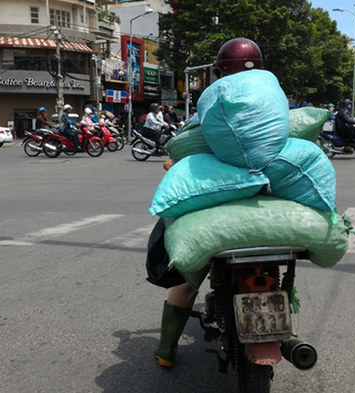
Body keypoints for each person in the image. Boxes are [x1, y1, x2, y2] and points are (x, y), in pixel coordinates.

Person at [152, 37, 264, 368]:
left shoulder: (208, 109)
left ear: (218, 73)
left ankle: (166, 351)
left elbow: (180, 149)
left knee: (187, 279)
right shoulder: (272, 109)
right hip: (262, 200)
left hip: (212, 210)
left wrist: (175, 163)